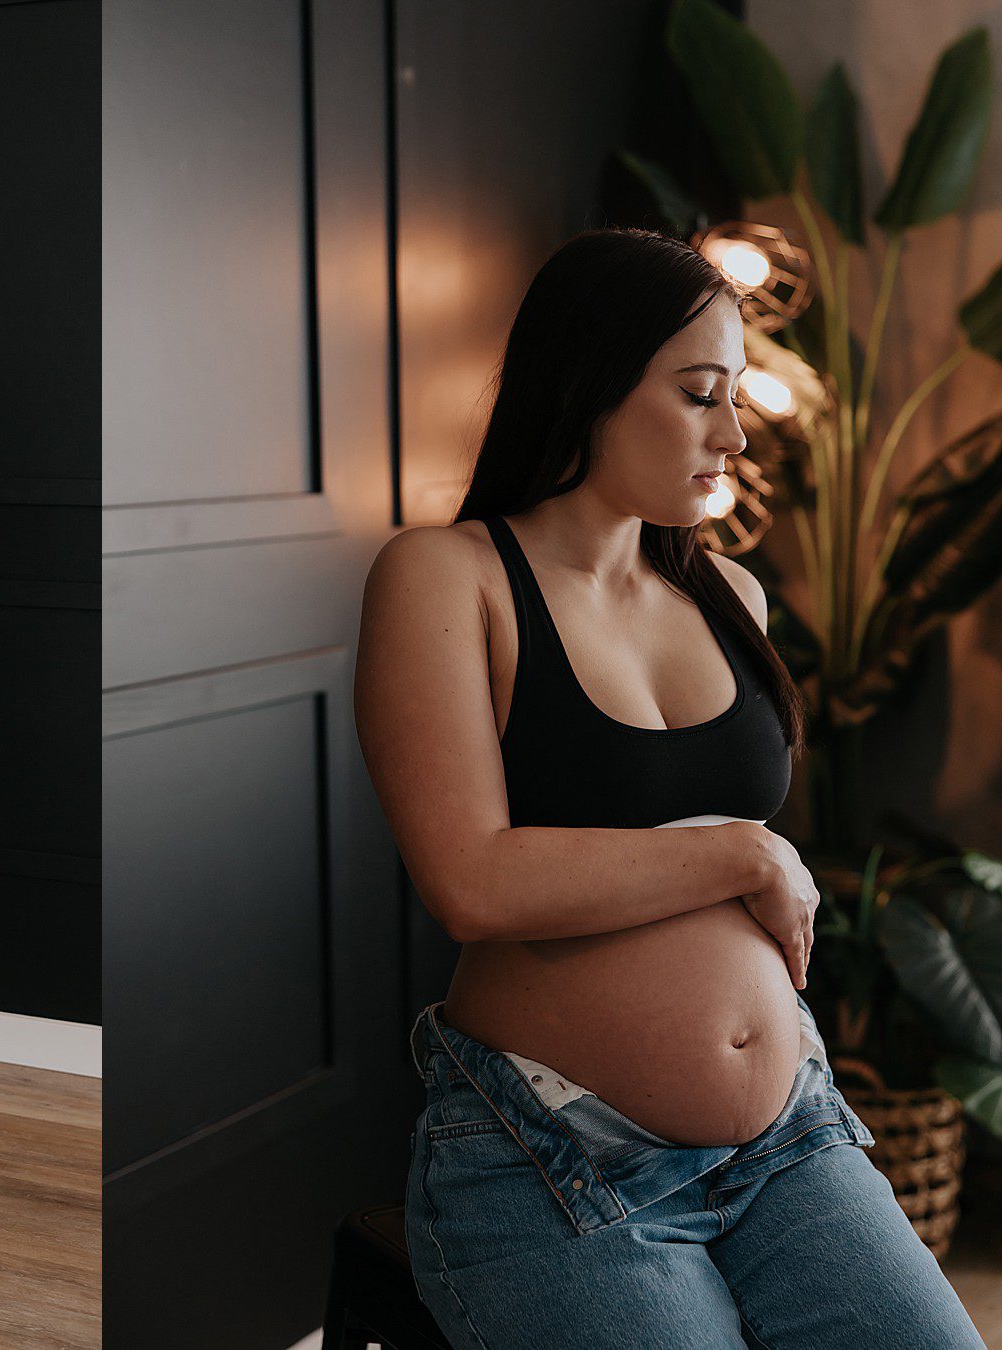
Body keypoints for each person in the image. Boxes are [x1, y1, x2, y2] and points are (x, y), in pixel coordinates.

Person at [352, 229, 982, 1346]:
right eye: (699, 394)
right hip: (553, 1153)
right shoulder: (445, 578)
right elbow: (473, 883)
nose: (734, 433)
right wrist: (750, 854)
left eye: (735, 394)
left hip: (791, 1138)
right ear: (587, 384)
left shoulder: (732, 592)